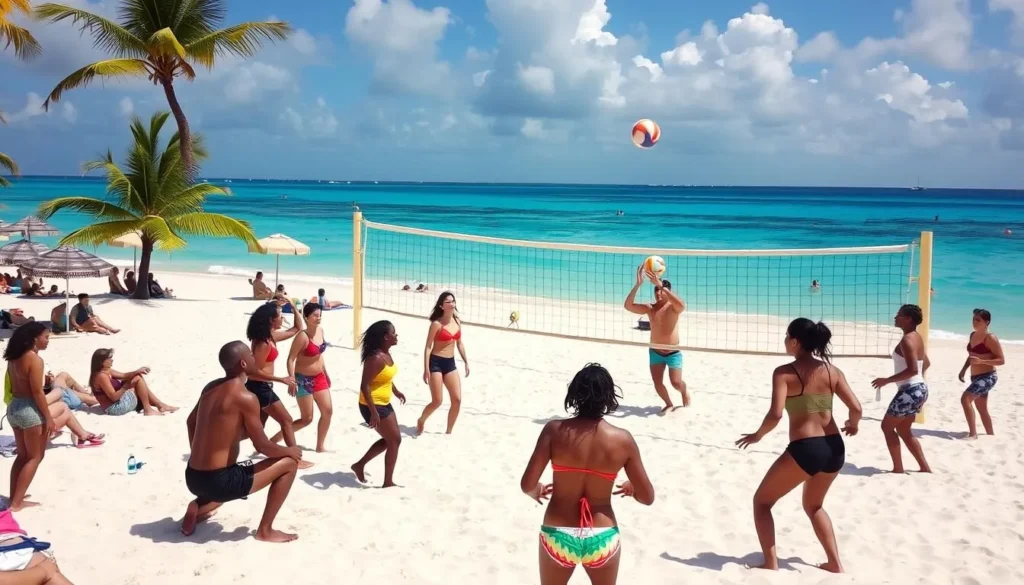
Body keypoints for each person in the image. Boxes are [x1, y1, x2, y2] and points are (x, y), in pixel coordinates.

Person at [736, 319, 862, 573]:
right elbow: (856, 408)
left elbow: (776, 415)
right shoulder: (832, 371)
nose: (785, 341)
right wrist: (854, 424)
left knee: (761, 502)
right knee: (814, 506)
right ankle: (835, 563)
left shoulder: (784, 372)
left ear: (795, 341)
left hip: (807, 448)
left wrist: (757, 436)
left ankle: (771, 563)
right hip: (835, 448)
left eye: (786, 336)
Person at [520, 363, 655, 584]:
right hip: (601, 536)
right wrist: (631, 490)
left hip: (558, 532)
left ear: (574, 393)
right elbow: (647, 497)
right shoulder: (623, 440)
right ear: (609, 397)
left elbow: (527, 485)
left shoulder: (554, 430)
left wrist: (537, 491)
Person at [181, 341, 302, 542]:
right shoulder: (245, 397)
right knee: (289, 464)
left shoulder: (210, 387)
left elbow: (190, 422)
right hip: (219, 481)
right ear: (244, 364)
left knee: (220, 489)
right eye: (251, 356)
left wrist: (199, 457)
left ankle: (199, 505)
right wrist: (290, 450)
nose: (255, 358)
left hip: (193, 476)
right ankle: (265, 530)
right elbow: (262, 447)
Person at [4, 323, 105, 511]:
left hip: (14, 407)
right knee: (35, 457)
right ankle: (17, 504)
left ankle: (14, 498)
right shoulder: (34, 360)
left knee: (22, 456)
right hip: (29, 410)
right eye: (46, 337)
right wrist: (48, 418)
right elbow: (37, 392)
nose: (48, 340)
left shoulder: (14, 357)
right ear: (35, 338)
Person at [246, 303, 313, 469]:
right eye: (280, 315)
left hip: (263, 386)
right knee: (286, 420)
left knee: (256, 427)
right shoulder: (263, 343)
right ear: (271, 320)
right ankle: (295, 459)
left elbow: (297, 328)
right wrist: (281, 379)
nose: (283, 317)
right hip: (259, 387)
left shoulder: (270, 336)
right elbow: (253, 372)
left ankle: (260, 448)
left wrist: (294, 306)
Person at [872, 304, 932, 473]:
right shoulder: (917, 337)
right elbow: (925, 364)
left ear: (908, 319)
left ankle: (898, 468)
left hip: (910, 390)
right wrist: (919, 386)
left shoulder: (907, 340)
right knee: (904, 430)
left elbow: (913, 369)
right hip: (919, 389)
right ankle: (924, 467)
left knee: (887, 427)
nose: (895, 317)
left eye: (899, 315)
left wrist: (887, 380)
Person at [623, 265, 690, 412]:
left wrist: (661, 285)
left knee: (676, 383)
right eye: (656, 290)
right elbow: (628, 306)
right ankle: (668, 403)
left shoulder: (673, 308)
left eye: (661, 290)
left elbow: (682, 305)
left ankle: (684, 391)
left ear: (667, 291)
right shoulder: (650, 307)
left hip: (673, 352)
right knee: (657, 383)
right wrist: (638, 285)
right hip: (655, 351)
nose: (658, 293)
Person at [351, 321, 406, 488]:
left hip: (384, 402)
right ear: (385, 337)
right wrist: (373, 412)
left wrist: (396, 392)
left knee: (392, 440)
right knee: (394, 440)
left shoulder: (386, 354)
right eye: (394, 333)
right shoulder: (375, 358)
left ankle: (359, 465)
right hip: (371, 405)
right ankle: (388, 482)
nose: (396, 336)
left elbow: (385, 377)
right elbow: (364, 386)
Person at [278, 303, 333, 453]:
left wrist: (326, 373)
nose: (318, 317)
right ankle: (275, 439)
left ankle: (320, 446)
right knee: (306, 419)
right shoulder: (302, 337)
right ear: (306, 318)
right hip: (303, 379)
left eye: (320, 314)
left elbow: (319, 356)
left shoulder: (320, 330)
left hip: (319, 376)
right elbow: (290, 359)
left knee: (327, 411)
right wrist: (291, 380)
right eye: (315, 315)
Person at [417, 292, 469, 435]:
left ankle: (448, 432)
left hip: (450, 363)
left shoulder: (457, 321)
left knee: (457, 400)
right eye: (448, 302)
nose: (452, 304)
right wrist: (426, 369)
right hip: (436, 363)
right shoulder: (436, 324)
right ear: (442, 306)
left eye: (453, 301)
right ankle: (421, 420)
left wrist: (466, 361)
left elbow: (459, 343)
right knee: (437, 401)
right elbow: (428, 347)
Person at [958, 309, 1004, 438]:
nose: (974, 322)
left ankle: (973, 434)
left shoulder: (990, 338)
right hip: (975, 377)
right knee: (982, 408)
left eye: (978, 320)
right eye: (973, 319)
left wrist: (981, 361)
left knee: (965, 399)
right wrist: (963, 370)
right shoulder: (973, 335)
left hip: (988, 377)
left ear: (987, 322)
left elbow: (1001, 360)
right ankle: (990, 435)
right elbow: (971, 356)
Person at [88, 349, 177, 416]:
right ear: (101, 362)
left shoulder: (106, 370)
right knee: (137, 379)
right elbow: (114, 397)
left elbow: (124, 375)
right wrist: (128, 385)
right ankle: (148, 409)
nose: (112, 360)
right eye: (109, 358)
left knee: (136, 377)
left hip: (118, 403)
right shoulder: (101, 376)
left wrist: (137, 371)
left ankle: (159, 405)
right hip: (115, 408)